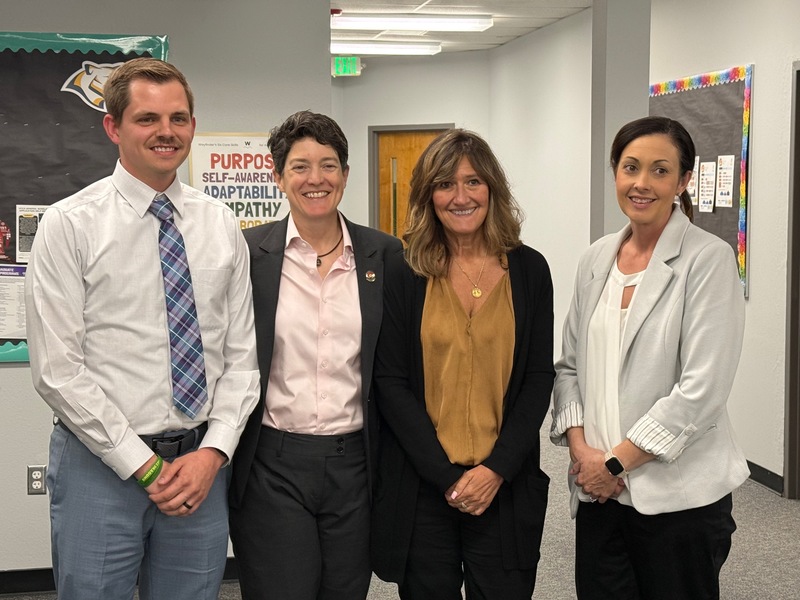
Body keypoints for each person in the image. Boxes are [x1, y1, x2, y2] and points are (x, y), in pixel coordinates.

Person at [24, 57, 259, 600]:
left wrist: (214, 452)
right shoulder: (69, 224)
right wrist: (145, 467)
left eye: (179, 118)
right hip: (100, 467)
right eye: (147, 119)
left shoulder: (219, 223)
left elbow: (241, 357)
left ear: (193, 127)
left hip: (199, 470)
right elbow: (58, 372)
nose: (166, 132)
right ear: (113, 127)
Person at [550, 116, 749, 600]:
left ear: (683, 182)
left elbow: (700, 391)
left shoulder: (709, 259)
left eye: (660, 171)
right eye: (630, 167)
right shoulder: (596, 258)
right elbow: (569, 367)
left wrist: (615, 463)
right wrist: (583, 455)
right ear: (615, 172)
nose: (641, 183)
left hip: (677, 500)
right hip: (598, 494)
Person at [371, 129, 555, 599]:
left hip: (504, 484)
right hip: (424, 486)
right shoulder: (404, 269)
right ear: (428, 195)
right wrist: (449, 478)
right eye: (445, 184)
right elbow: (390, 382)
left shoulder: (530, 270)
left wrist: (494, 470)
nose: (461, 197)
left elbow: (537, 378)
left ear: (492, 188)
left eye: (473, 182)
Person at [228, 110, 402, 600]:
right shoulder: (246, 254)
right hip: (272, 464)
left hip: (357, 465)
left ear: (346, 176)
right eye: (300, 166)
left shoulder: (387, 257)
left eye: (329, 165)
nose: (316, 179)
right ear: (278, 175)